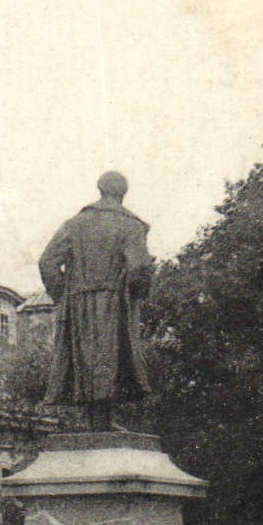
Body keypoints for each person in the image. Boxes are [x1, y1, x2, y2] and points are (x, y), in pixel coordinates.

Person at [39, 171, 155, 431]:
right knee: (109, 359)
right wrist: (138, 292)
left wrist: (64, 296)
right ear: (123, 193)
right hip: (113, 302)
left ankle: (98, 423)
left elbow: (47, 261)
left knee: (87, 361)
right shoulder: (130, 225)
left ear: (100, 190)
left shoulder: (74, 223)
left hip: (77, 303)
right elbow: (138, 267)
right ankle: (102, 423)